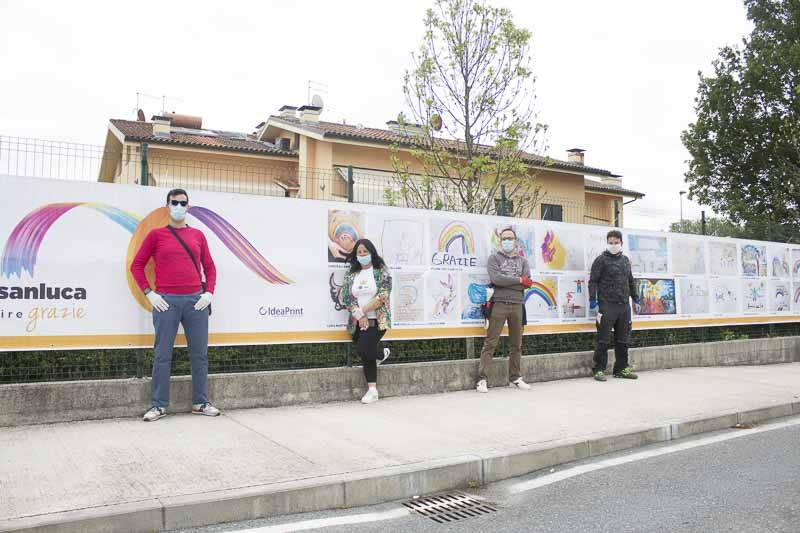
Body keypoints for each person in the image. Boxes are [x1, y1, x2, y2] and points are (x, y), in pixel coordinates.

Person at [131, 188, 219, 421]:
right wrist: (150, 294)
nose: (178, 206)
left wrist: (208, 293)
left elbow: (209, 267)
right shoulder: (156, 236)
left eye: (183, 203)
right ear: (168, 206)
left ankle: (201, 402)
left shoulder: (198, 235)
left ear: (188, 207)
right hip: (165, 302)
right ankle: (159, 405)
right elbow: (136, 266)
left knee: (199, 354)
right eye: (174, 202)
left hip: (196, 302)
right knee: (162, 355)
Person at [477, 227, 533, 393]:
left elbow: (528, 282)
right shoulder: (494, 258)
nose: (507, 241)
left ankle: (515, 377)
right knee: (490, 343)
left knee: (517, 344)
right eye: (504, 238)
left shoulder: (523, 261)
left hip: (517, 304)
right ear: (500, 241)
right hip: (499, 304)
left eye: (510, 238)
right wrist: (519, 280)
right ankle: (482, 379)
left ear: (515, 241)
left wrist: (513, 281)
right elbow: (496, 279)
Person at [339, 239, 392, 404]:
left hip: (377, 320)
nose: (362, 255)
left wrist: (363, 311)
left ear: (372, 253)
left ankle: (381, 354)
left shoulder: (382, 271)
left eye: (365, 252)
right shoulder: (352, 273)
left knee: (364, 350)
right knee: (366, 355)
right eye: (359, 252)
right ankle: (372, 390)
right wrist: (359, 315)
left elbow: (382, 296)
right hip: (357, 322)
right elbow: (346, 297)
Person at [588, 229, 640, 382]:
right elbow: (593, 281)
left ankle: (621, 368)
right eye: (610, 242)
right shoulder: (600, 260)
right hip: (606, 305)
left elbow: (630, 280)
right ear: (607, 243)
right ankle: (599, 369)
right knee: (603, 339)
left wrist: (635, 298)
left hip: (624, 306)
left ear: (621, 243)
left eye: (616, 242)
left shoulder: (625, 260)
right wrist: (593, 299)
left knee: (623, 339)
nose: (613, 245)